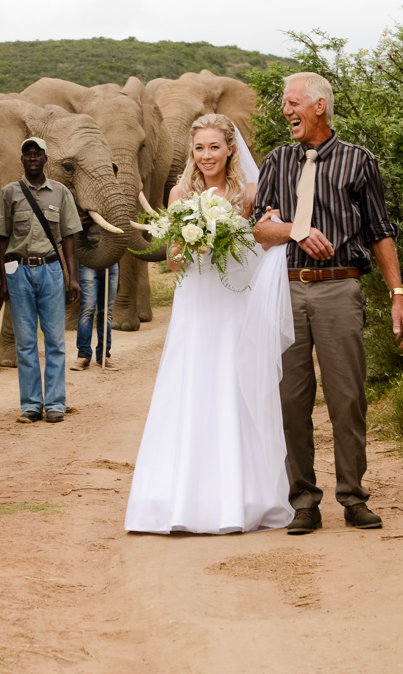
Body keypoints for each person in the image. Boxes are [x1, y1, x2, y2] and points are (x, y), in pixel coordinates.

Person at [252, 72, 403, 534]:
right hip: (287, 289)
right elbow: (259, 229)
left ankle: (353, 497)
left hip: (340, 287)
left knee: (347, 397)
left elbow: (380, 231)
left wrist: (398, 297)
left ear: (319, 106)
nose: (285, 110)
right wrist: (295, 230)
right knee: (291, 400)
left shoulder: (358, 161)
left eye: (292, 102)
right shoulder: (276, 162)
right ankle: (303, 501)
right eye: (285, 103)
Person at [124, 114, 296, 534]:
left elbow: (261, 244)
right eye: (199, 148)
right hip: (195, 303)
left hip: (234, 301)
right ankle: (179, 500)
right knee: (190, 386)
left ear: (230, 149)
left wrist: (229, 237)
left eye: (214, 147)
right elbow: (173, 261)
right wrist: (192, 239)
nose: (206, 155)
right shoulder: (180, 193)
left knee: (233, 386)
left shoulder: (250, 192)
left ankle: (242, 498)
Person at [0, 137, 83, 423]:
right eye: (27, 154)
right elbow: (2, 239)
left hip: (51, 270)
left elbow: (68, 238)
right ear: (21, 159)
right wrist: (3, 280)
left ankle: (55, 404)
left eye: (37, 153)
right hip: (18, 271)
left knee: (55, 340)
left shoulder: (61, 193)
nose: (32, 158)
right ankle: (31, 405)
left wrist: (73, 278)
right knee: (25, 342)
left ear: (46, 159)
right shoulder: (9, 193)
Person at [73, 263, 118, 370]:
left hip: (112, 265)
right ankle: (83, 355)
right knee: (87, 310)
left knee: (106, 312)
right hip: (88, 263)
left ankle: (104, 355)